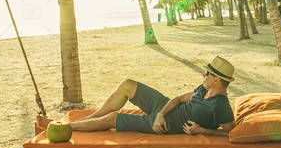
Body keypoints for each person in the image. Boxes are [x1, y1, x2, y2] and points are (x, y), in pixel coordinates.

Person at [47, 56, 236, 142]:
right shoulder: (203, 89)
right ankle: (89, 119)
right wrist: (161, 112)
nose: (204, 74)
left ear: (217, 79)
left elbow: (230, 133)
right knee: (128, 84)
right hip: (164, 110)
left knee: (113, 118)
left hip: (164, 126)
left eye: (207, 73)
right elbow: (178, 99)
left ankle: (67, 128)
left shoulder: (220, 105)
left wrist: (202, 130)